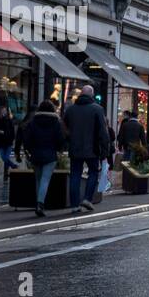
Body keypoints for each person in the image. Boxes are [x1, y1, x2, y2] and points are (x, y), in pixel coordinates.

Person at [62, 84, 110, 213]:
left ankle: (74, 204)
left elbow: (64, 129)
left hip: (75, 148)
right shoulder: (97, 109)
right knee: (93, 173)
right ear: (92, 95)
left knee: (75, 175)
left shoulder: (71, 110)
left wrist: (68, 141)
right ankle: (87, 198)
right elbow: (103, 132)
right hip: (92, 149)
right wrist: (105, 150)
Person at [18, 100, 67, 217]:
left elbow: (27, 137)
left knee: (38, 180)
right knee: (45, 180)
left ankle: (38, 203)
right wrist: (59, 149)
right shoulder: (56, 122)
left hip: (36, 154)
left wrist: (29, 149)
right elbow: (60, 138)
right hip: (50, 154)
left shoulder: (33, 121)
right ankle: (40, 204)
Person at [0, 106, 17, 172]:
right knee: (2, 157)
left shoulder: (9, 120)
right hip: (0, 142)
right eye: (2, 111)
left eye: (4, 111)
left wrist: (12, 139)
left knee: (6, 157)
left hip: (8, 142)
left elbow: (12, 131)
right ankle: (12, 165)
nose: (3, 112)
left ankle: (6, 172)